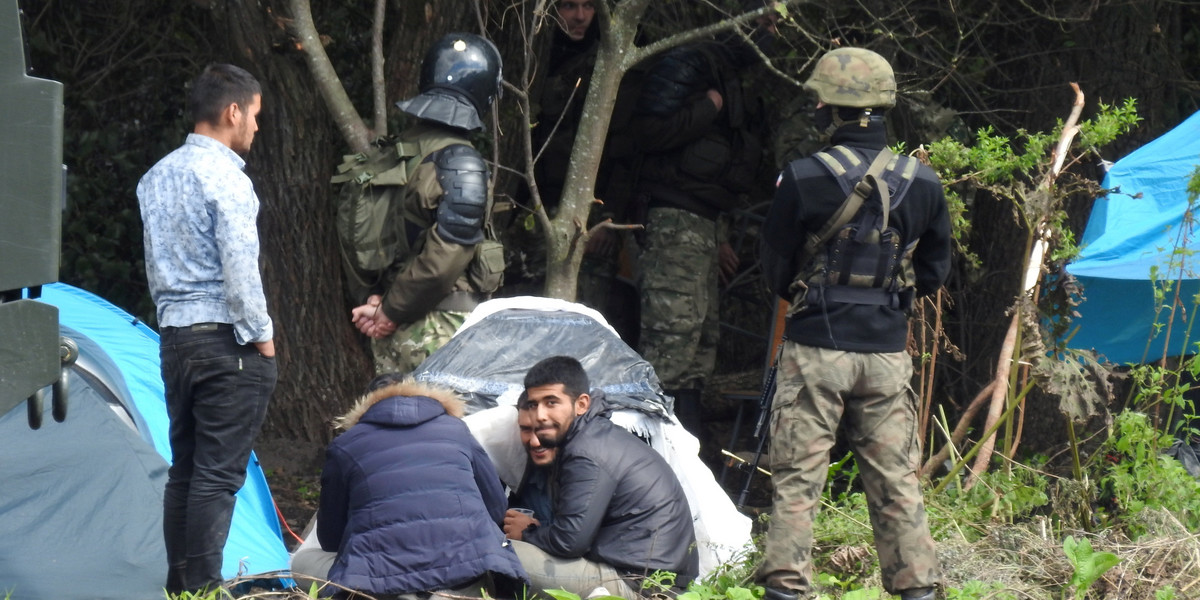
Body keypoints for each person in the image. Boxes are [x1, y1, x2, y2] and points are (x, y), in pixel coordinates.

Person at [756, 48, 951, 600]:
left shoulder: (800, 178)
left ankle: (787, 589)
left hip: (815, 346)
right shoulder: (926, 182)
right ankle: (916, 590)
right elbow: (935, 273)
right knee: (895, 481)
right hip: (887, 353)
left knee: (798, 479)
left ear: (831, 108)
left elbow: (774, 267)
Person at [137, 63, 277, 596]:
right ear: (232, 112)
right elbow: (241, 272)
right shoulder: (227, 179)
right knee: (218, 478)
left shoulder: (154, 176)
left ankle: (182, 589)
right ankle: (204, 590)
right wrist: (262, 337)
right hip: (227, 342)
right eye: (255, 116)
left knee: (186, 472)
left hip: (174, 340)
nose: (257, 129)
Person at [627, 10, 776, 435]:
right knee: (669, 351)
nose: (771, 37)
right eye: (764, 25)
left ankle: (683, 465)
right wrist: (707, 108)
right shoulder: (690, 65)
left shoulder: (728, 72)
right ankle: (649, 461)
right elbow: (649, 135)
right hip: (673, 220)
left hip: (704, 223)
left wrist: (719, 234)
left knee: (696, 356)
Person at [347, 33, 504, 375]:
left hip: (390, 321)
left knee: (393, 422)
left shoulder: (394, 152)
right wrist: (390, 311)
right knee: (447, 426)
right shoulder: (461, 163)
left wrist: (378, 303)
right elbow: (445, 257)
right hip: (440, 327)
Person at [315, 373, 528, 599]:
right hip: (465, 576)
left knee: (305, 560)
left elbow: (330, 539)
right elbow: (496, 509)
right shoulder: (457, 430)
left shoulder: (345, 445)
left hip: (380, 584)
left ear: (365, 404)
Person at [503, 356, 697, 599]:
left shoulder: (586, 451)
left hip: (642, 586)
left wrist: (527, 533)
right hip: (645, 574)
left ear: (581, 404)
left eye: (551, 402)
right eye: (534, 404)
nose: (540, 415)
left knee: (493, 554)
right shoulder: (592, 436)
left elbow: (569, 542)